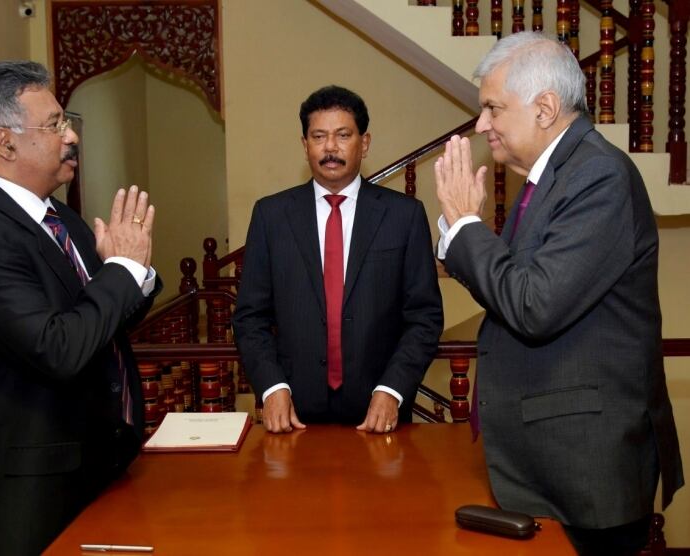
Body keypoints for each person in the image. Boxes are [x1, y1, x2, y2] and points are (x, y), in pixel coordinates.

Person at [433, 32, 684, 555]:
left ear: (545, 108)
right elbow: (515, 289)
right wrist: (463, 234)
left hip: (584, 468)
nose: (482, 125)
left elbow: (533, 305)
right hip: (549, 462)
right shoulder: (553, 178)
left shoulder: (598, 176)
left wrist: (464, 228)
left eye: (492, 108)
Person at [0, 61, 162, 555]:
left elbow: (99, 323)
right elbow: (59, 347)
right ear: (5, 142)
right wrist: (121, 269)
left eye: (67, 121)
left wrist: (134, 275)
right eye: (55, 124)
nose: (71, 136)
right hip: (26, 485)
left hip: (93, 460)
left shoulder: (59, 217)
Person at [233, 85, 443, 434]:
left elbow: (425, 316)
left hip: (379, 413)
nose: (330, 147)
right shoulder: (271, 216)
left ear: (365, 142)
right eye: (319, 136)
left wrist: (392, 389)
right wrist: (272, 387)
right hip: (294, 414)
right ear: (305, 146)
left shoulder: (403, 216)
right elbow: (250, 317)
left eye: (343, 135)